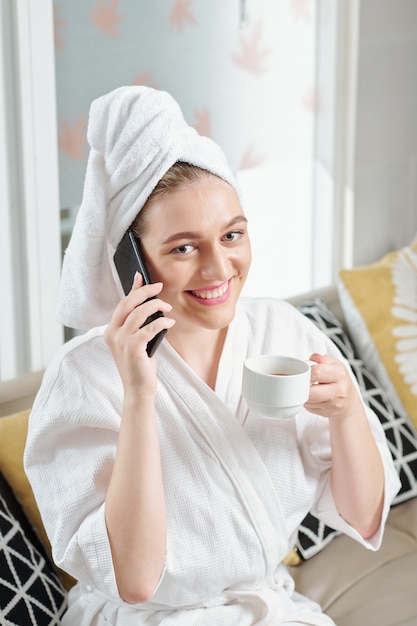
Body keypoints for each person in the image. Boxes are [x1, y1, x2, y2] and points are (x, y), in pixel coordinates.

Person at [24, 86, 400, 626]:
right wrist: (138, 395)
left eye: (232, 235)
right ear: (133, 260)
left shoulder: (282, 331)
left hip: (267, 608)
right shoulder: (83, 375)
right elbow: (134, 579)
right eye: (183, 247)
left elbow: (364, 520)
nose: (219, 267)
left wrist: (345, 416)